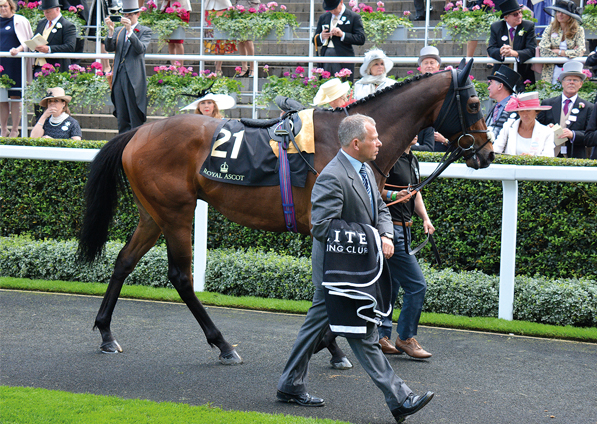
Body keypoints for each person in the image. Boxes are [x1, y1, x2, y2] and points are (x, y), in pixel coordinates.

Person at [276, 114, 434, 423]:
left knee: (320, 324)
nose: (380, 143)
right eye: (375, 138)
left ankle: (290, 384)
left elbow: (378, 209)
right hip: (340, 271)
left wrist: (386, 233)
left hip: (354, 268)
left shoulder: (364, 169)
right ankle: (400, 398)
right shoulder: (332, 176)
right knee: (361, 331)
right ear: (356, 143)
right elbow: (320, 226)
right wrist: (374, 238)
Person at [378, 137, 434, 358]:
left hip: (406, 230)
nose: (416, 133)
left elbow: (415, 192)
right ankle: (405, 338)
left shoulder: (412, 159)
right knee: (416, 285)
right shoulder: (390, 157)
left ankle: (382, 336)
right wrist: (392, 195)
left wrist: (425, 219)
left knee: (391, 285)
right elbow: (372, 187)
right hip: (391, 231)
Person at [104, 0, 151, 133]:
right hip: (119, 75)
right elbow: (109, 47)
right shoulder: (119, 31)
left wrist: (130, 30)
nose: (127, 17)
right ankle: (122, 141)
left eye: (130, 15)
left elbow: (140, 49)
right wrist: (110, 32)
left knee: (134, 111)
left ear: (138, 15)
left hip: (134, 77)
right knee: (122, 112)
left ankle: (135, 143)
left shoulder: (144, 31)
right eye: (125, 15)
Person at [537, 61, 594, 158]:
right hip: (550, 154)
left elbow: (591, 136)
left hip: (575, 156)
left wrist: (573, 134)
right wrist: (547, 129)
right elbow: (537, 128)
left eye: (575, 80)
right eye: (568, 80)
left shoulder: (589, 107)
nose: (571, 82)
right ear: (562, 82)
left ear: (581, 84)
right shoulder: (548, 103)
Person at [0, 0, 32, 137]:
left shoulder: (20, 20)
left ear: (11, 6)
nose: (3, 9)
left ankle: (14, 129)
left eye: (5, 6)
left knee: (15, 96)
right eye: (0, 7)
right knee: (1, 98)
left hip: (15, 64)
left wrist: (18, 49)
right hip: (1, 65)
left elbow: (27, 40)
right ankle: (3, 129)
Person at [487, 0, 536, 88]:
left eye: (520, 12)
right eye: (515, 14)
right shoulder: (496, 27)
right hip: (501, 73)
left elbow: (531, 49)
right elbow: (491, 49)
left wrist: (515, 54)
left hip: (523, 74)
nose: (519, 16)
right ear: (506, 18)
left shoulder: (528, 26)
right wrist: (501, 52)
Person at [313, 0, 365, 81]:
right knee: (325, 83)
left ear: (341, 2)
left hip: (343, 55)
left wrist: (343, 35)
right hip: (326, 55)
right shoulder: (323, 17)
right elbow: (315, 40)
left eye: (334, 8)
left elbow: (361, 38)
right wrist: (321, 36)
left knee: (343, 84)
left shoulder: (353, 17)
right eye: (330, 9)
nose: (333, 11)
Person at [493, 92, 555, 157]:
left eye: (528, 110)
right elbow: (496, 150)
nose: (525, 115)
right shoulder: (508, 127)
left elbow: (548, 158)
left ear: (536, 111)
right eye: (521, 111)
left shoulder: (547, 132)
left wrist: (531, 159)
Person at [538, 0, 585, 84]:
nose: (560, 14)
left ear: (570, 15)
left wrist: (558, 51)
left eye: (563, 12)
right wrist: (570, 53)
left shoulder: (579, 30)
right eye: (558, 12)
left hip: (571, 70)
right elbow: (543, 51)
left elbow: (580, 51)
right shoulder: (550, 28)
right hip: (550, 70)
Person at [412, 46, 449, 152]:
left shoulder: (446, 86)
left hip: (440, 139)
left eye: (432, 63)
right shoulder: (414, 86)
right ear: (421, 67)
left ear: (438, 66)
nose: (429, 66)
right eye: (426, 63)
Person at [32, 0, 77, 75]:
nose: (46, 14)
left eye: (48, 12)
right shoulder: (41, 23)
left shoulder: (67, 26)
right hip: (39, 67)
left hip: (56, 68)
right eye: (44, 12)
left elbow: (70, 47)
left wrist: (49, 49)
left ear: (57, 9)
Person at [485, 64, 521, 139]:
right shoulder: (493, 108)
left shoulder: (516, 108)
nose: (488, 88)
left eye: (491, 83)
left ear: (500, 86)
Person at [204, 0, 237, 76]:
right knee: (212, 37)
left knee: (221, 38)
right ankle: (217, 62)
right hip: (209, 7)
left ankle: (218, 66)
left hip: (223, 6)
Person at [160, 0, 191, 66]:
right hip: (167, 7)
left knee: (178, 41)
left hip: (181, 8)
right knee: (170, 42)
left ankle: (180, 68)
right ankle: (173, 67)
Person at [235, 0, 259, 77]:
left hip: (251, 4)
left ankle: (252, 68)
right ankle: (244, 67)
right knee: (241, 40)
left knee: (248, 39)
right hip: (241, 3)